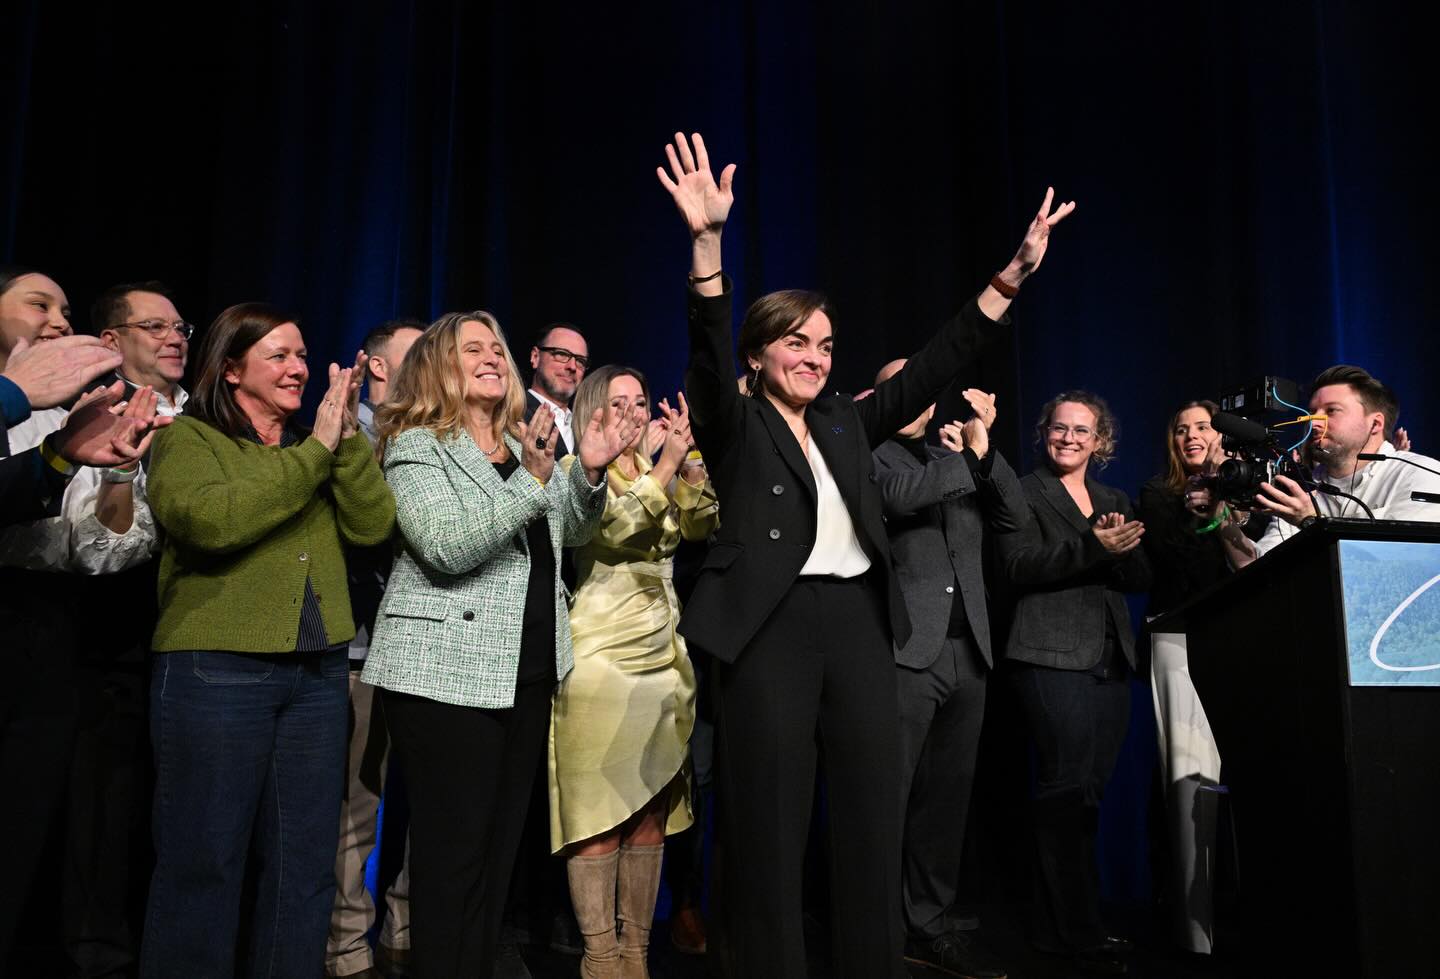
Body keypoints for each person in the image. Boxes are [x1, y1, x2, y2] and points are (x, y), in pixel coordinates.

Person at [656, 130, 1074, 979]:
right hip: (768, 626)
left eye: (824, 345)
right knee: (769, 826)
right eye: (795, 342)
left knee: (871, 820)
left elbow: (937, 361)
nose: (814, 358)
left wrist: (1012, 275)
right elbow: (705, 350)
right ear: (758, 353)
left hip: (856, 622)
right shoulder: (735, 422)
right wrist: (707, 248)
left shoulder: (849, 421)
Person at [360, 311, 638, 979]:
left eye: (495, 347)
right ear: (438, 366)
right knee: (453, 858)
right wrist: (533, 483)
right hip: (444, 676)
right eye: (471, 349)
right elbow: (447, 546)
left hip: (527, 671)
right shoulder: (416, 446)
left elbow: (568, 533)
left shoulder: (523, 443)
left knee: (497, 856)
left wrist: (587, 473)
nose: (491, 356)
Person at [140, 303, 396, 978]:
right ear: (231, 369)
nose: (297, 367)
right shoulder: (189, 437)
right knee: (205, 862)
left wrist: (343, 442)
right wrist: (317, 451)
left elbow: (372, 526)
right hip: (218, 670)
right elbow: (210, 521)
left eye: (302, 355)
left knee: (304, 865)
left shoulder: (318, 444)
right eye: (278, 355)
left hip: (315, 676)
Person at [0, 269, 168, 973]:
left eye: (64, 308)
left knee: (21, 829)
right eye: (38, 303)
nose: (58, 319)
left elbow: (98, 550)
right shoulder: (23, 402)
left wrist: (96, 465)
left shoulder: (71, 412)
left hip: (48, 628)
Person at [548, 367, 718, 979]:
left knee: (650, 811)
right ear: (592, 411)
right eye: (617, 402)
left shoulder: (655, 468)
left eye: (639, 402)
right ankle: (600, 958)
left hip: (664, 653)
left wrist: (689, 468)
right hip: (601, 651)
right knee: (599, 812)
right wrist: (665, 468)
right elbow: (613, 529)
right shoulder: (579, 471)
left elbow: (700, 528)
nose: (632, 412)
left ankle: (636, 956)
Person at [871, 369, 1026, 979]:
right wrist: (969, 461)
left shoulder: (952, 457)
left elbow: (1014, 516)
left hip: (970, 652)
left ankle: (928, 924)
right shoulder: (868, 454)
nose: (913, 400)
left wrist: (987, 448)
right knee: (887, 797)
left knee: (946, 802)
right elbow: (898, 497)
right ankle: (877, 927)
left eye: (921, 389)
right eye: (900, 388)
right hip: (906, 652)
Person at [995, 391, 1152, 975]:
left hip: (1110, 658)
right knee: (1064, 789)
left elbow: (1139, 576)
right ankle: (1075, 932)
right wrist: (1092, 545)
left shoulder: (1113, 499)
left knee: (1088, 794)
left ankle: (1061, 925)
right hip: (1047, 655)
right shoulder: (1023, 490)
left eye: (1081, 431)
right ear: (1044, 433)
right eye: (1059, 428)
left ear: (1099, 442)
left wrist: (1117, 547)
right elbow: (1017, 566)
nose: (1068, 438)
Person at [327, 317, 424, 979]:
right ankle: (345, 941)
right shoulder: (348, 434)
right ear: (378, 366)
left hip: (426, 651)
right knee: (358, 806)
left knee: (428, 799)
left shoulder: (438, 437)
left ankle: (406, 926)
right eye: (417, 352)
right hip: (362, 647)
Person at [1136, 399, 1234, 955]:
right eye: (1181, 430)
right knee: (1188, 774)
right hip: (1179, 638)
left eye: (1202, 427)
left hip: (1240, 635)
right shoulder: (1159, 494)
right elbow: (1183, 564)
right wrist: (1209, 511)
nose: (1191, 436)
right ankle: (1196, 935)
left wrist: (1225, 496)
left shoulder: (1246, 489)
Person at [1202, 364, 1440, 568]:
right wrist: (1221, 515)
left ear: (1375, 424)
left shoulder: (1420, 475)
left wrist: (1310, 522)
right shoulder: (1303, 487)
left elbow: (1404, 566)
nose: (1314, 421)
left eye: (1331, 411)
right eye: (1312, 412)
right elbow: (1258, 567)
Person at [526, 322, 590, 458]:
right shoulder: (510, 413)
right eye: (561, 354)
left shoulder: (587, 428)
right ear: (535, 357)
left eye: (580, 361)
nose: (572, 366)